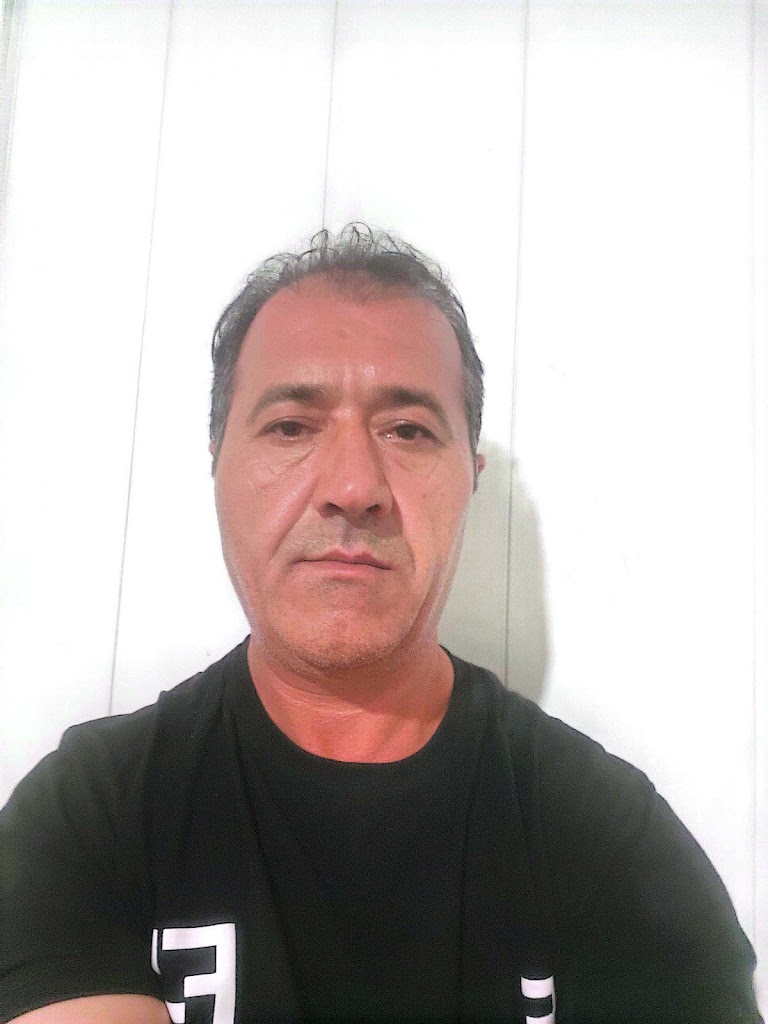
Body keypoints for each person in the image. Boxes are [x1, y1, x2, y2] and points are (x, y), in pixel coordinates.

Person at [0, 225, 761, 1024]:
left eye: (408, 431)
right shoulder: (90, 819)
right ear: (218, 459)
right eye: (291, 426)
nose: (354, 486)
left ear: (469, 479)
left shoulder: (610, 842)